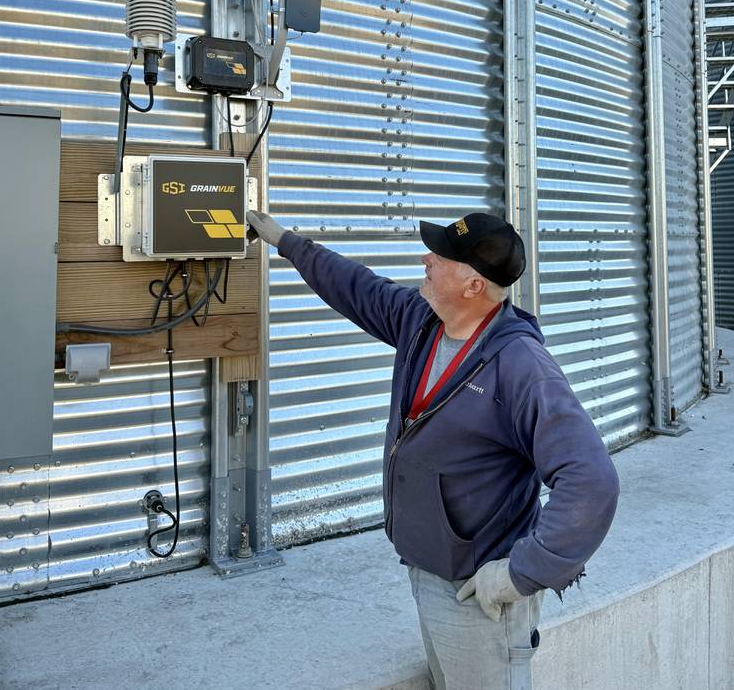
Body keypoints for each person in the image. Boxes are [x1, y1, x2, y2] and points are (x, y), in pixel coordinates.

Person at [246, 209, 620, 690]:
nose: (427, 258)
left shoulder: (521, 366)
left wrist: (521, 574)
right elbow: (356, 286)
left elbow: (591, 481)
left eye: (441, 256)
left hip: (478, 594)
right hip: (428, 570)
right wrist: (286, 241)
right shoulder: (422, 321)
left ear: (473, 286)